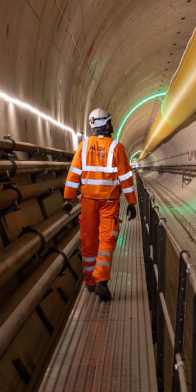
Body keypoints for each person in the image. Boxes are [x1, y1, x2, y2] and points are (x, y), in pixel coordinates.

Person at [62, 108, 137, 301]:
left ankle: (90, 282)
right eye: (111, 121)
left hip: (88, 202)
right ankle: (102, 280)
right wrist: (131, 202)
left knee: (88, 240)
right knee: (107, 240)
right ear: (107, 124)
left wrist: (68, 199)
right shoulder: (116, 147)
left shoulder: (84, 146)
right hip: (109, 203)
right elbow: (126, 178)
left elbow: (73, 174)